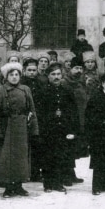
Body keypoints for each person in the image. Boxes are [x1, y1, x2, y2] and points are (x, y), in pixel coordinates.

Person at [0, 62, 39, 198]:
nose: (14, 77)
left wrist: (34, 130)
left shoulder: (25, 89)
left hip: (22, 128)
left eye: (17, 74)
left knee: (21, 158)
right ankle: (8, 187)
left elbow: (32, 110)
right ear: (6, 76)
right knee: (6, 158)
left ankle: (19, 185)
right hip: (7, 128)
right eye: (11, 75)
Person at [35, 63, 79, 193]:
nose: (56, 77)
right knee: (48, 157)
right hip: (48, 130)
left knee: (61, 157)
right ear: (48, 76)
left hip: (63, 129)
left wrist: (72, 130)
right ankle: (48, 184)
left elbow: (73, 112)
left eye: (58, 74)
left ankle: (58, 183)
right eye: (53, 74)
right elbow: (39, 112)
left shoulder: (67, 91)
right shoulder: (42, 92)